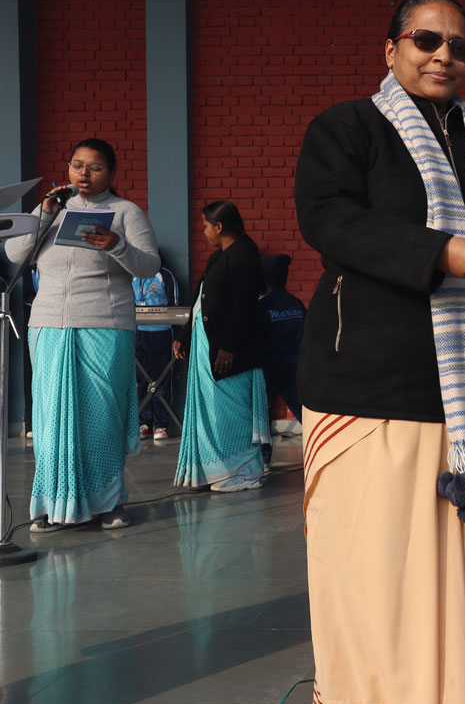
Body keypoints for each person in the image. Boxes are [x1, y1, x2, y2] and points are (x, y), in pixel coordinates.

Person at [294, 0, 465, 704]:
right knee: (370, 575)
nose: (443, 56)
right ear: (392, 48)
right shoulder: (347, 130)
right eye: (427, 40)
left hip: (461, 405)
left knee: (459, 585)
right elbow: (328, 218)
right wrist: (440, 252)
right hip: (365, 387)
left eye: (459, 46)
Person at [6, 138, 160, 531]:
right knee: (51, 419)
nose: (84, 173)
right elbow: (16, 255)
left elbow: (148, 266)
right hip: (49, 324)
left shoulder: (126, 212)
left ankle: (108, 503)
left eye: (94, 167)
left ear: (112, 172)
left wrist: (117, 245)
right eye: (77, 165)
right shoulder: (52, 209)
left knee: (101, 417)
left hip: (104, 323)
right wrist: (44, 214)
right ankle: (52, 504)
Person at [172, 201, 270, 492]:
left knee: (231, 411)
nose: (203, 232)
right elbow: (200, 300)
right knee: (214, 410)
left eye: (205, 226)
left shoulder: (243, 255)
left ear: (219, 226)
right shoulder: (219, 256)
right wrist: (185, 335)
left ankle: (245, 472)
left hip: (229, 350)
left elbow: (243, 306)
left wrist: (228, 347)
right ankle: (217, 471)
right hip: (208, 347)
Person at [258, 253, 305, 451]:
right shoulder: (296, 303)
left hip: (270, 367)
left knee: (263, 413)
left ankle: (264, 458)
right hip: (295, 365)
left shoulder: (261, 306)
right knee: (302, 410)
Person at [133, 256, 180, 441]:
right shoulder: (133, 276)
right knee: (140, 380)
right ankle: (144, 423)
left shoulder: (164, 275)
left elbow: (174, 303)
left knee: (160, 378)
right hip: (139, 333)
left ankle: (161, 424)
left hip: (160, 333)